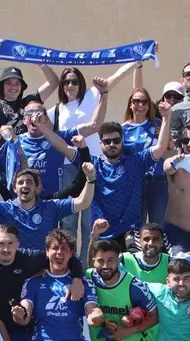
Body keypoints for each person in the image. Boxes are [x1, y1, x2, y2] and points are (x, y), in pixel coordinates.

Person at [48, 63, 138, 259]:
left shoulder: (91, 95)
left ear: (80, 83)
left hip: (93, 165)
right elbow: (40, 128)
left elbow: (114, 78)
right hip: (69, 167)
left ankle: (86, 265)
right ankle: (70, 264)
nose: (69, 85)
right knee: (69, 221)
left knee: (89, 222)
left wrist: (134, 61)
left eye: (73, 81)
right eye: (65, 82)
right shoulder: (57, 110)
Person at [84, 108, 171, 249]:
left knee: (133, 268)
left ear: (122, 141)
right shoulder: (92, 163)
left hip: (130, 233)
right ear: (100, 143)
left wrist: (167, 118)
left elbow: (160, 148)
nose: (112, 144)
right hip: (102, 231)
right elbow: (66, 150)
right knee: (98, 269)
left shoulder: (136, 161)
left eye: (116, 140)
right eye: (107, 141)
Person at [0, 167, 93, 251]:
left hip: (43, 269)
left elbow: (83, 202)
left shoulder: (51, 207)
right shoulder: (3, 208)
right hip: (14, 270)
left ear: (36, 187)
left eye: (29, 182)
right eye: (20, 182)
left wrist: (90, 179)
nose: (25, 185)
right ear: (14, 189)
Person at [0, 40, 59, 136]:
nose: (13, 86)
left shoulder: (28, 103)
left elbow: (53, 83)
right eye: (9, 83)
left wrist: (41, 63)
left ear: (22, 87)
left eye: (17, 83)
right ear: (2, 86)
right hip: (0, 150)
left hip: (25, 149)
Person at [122, 73, 169, 226]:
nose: (140, 105)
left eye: (144, 102)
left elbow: (169, 145)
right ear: (130, 104)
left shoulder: (157, 124)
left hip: (157, 179)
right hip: (134, 182)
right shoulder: (123, 129)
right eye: (136, 101)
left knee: (158, 225)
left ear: (149, 105)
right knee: (137, 225)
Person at [162, 124, 190, 255]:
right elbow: (167, 167)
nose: (189, 144)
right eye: (185, 141)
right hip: (176, 231)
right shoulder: (176, 163)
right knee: (179, 267)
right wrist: (175, 162)